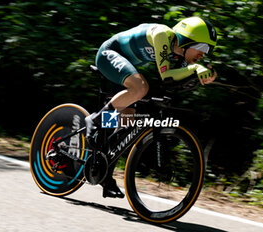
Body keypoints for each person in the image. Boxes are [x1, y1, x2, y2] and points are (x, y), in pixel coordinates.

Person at [85, 16, 218, 198]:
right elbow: (166, 75)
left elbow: (173, 83)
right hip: (110, 54)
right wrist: (195, 70)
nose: (204, 54)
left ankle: (105, 174)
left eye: (208, 50)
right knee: (140, 88)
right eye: (202, 47)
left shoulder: (180, 57)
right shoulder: (164, 35)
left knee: (128, 120)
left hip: (125, 67)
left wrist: (202, 76)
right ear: (187, 39)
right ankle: (95, 119)